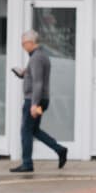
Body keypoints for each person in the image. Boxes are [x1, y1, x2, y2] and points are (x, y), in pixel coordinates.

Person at [10, 30, 67, 173]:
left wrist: (34, 104)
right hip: (41, 100)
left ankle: (27, 163)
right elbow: (35, 78)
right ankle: (60, 150)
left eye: (24, 43)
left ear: (31, 42)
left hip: (34, 101)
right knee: (34, 130)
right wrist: (25, 73)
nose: (23, 46)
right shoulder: (40, 57)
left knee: (26, 131)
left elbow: (38, 82)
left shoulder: (36, 58)